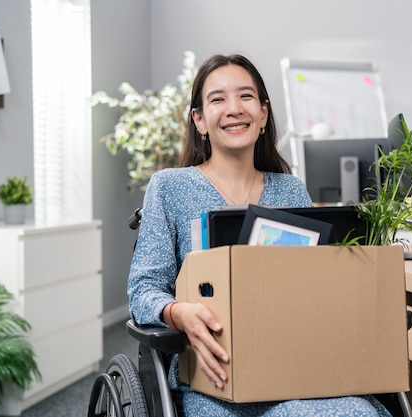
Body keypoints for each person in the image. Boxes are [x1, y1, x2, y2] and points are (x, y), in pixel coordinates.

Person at [127, 53, 392, 417]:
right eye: (218, 99)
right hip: (215, 377)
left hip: (296, 369)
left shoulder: (291, 190)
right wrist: (178, 313)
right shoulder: (169, 187)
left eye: (246, 96)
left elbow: (315, 288)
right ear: (199, 120)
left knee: (359, 411)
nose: (234, 108)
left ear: (263, 114)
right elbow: (142, 290)